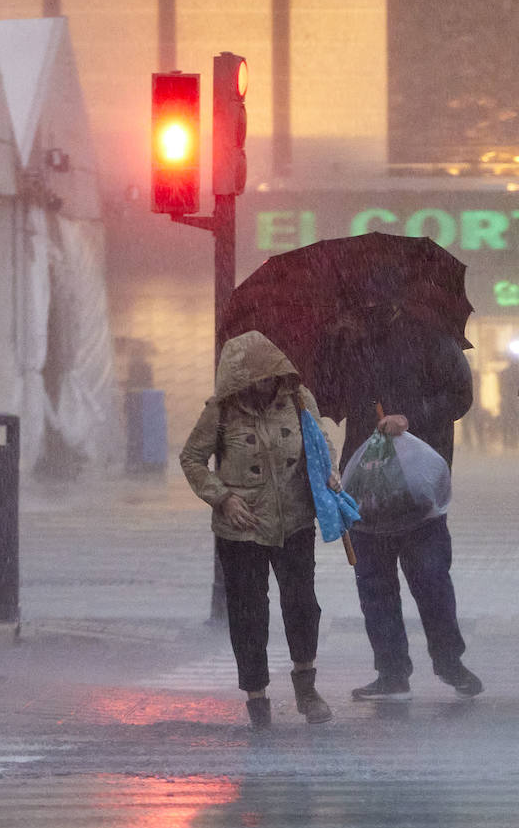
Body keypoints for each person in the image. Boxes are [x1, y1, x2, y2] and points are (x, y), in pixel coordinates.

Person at [324, 305, 483, 702]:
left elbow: (460, 396)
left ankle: (449, 662)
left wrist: (410, 417)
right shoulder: (349, 341)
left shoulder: (431, 335)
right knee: (374, 585)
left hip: (417, 485)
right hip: (365, 482)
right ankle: (391, 672)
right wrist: (337, 345)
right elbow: (327, 396)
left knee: (430, 580)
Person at [180, 331, 338, 728]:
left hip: (295, 521)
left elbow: (320, 444)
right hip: (241, 530)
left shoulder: (300, 400)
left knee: (302, 604)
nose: (263, 385)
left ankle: (306, 686)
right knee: (249, 613)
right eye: (254, 379)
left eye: (269, 376)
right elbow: (192, 459)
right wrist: (223, 498)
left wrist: (328, 471)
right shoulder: (220, 411)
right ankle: (257, 698)